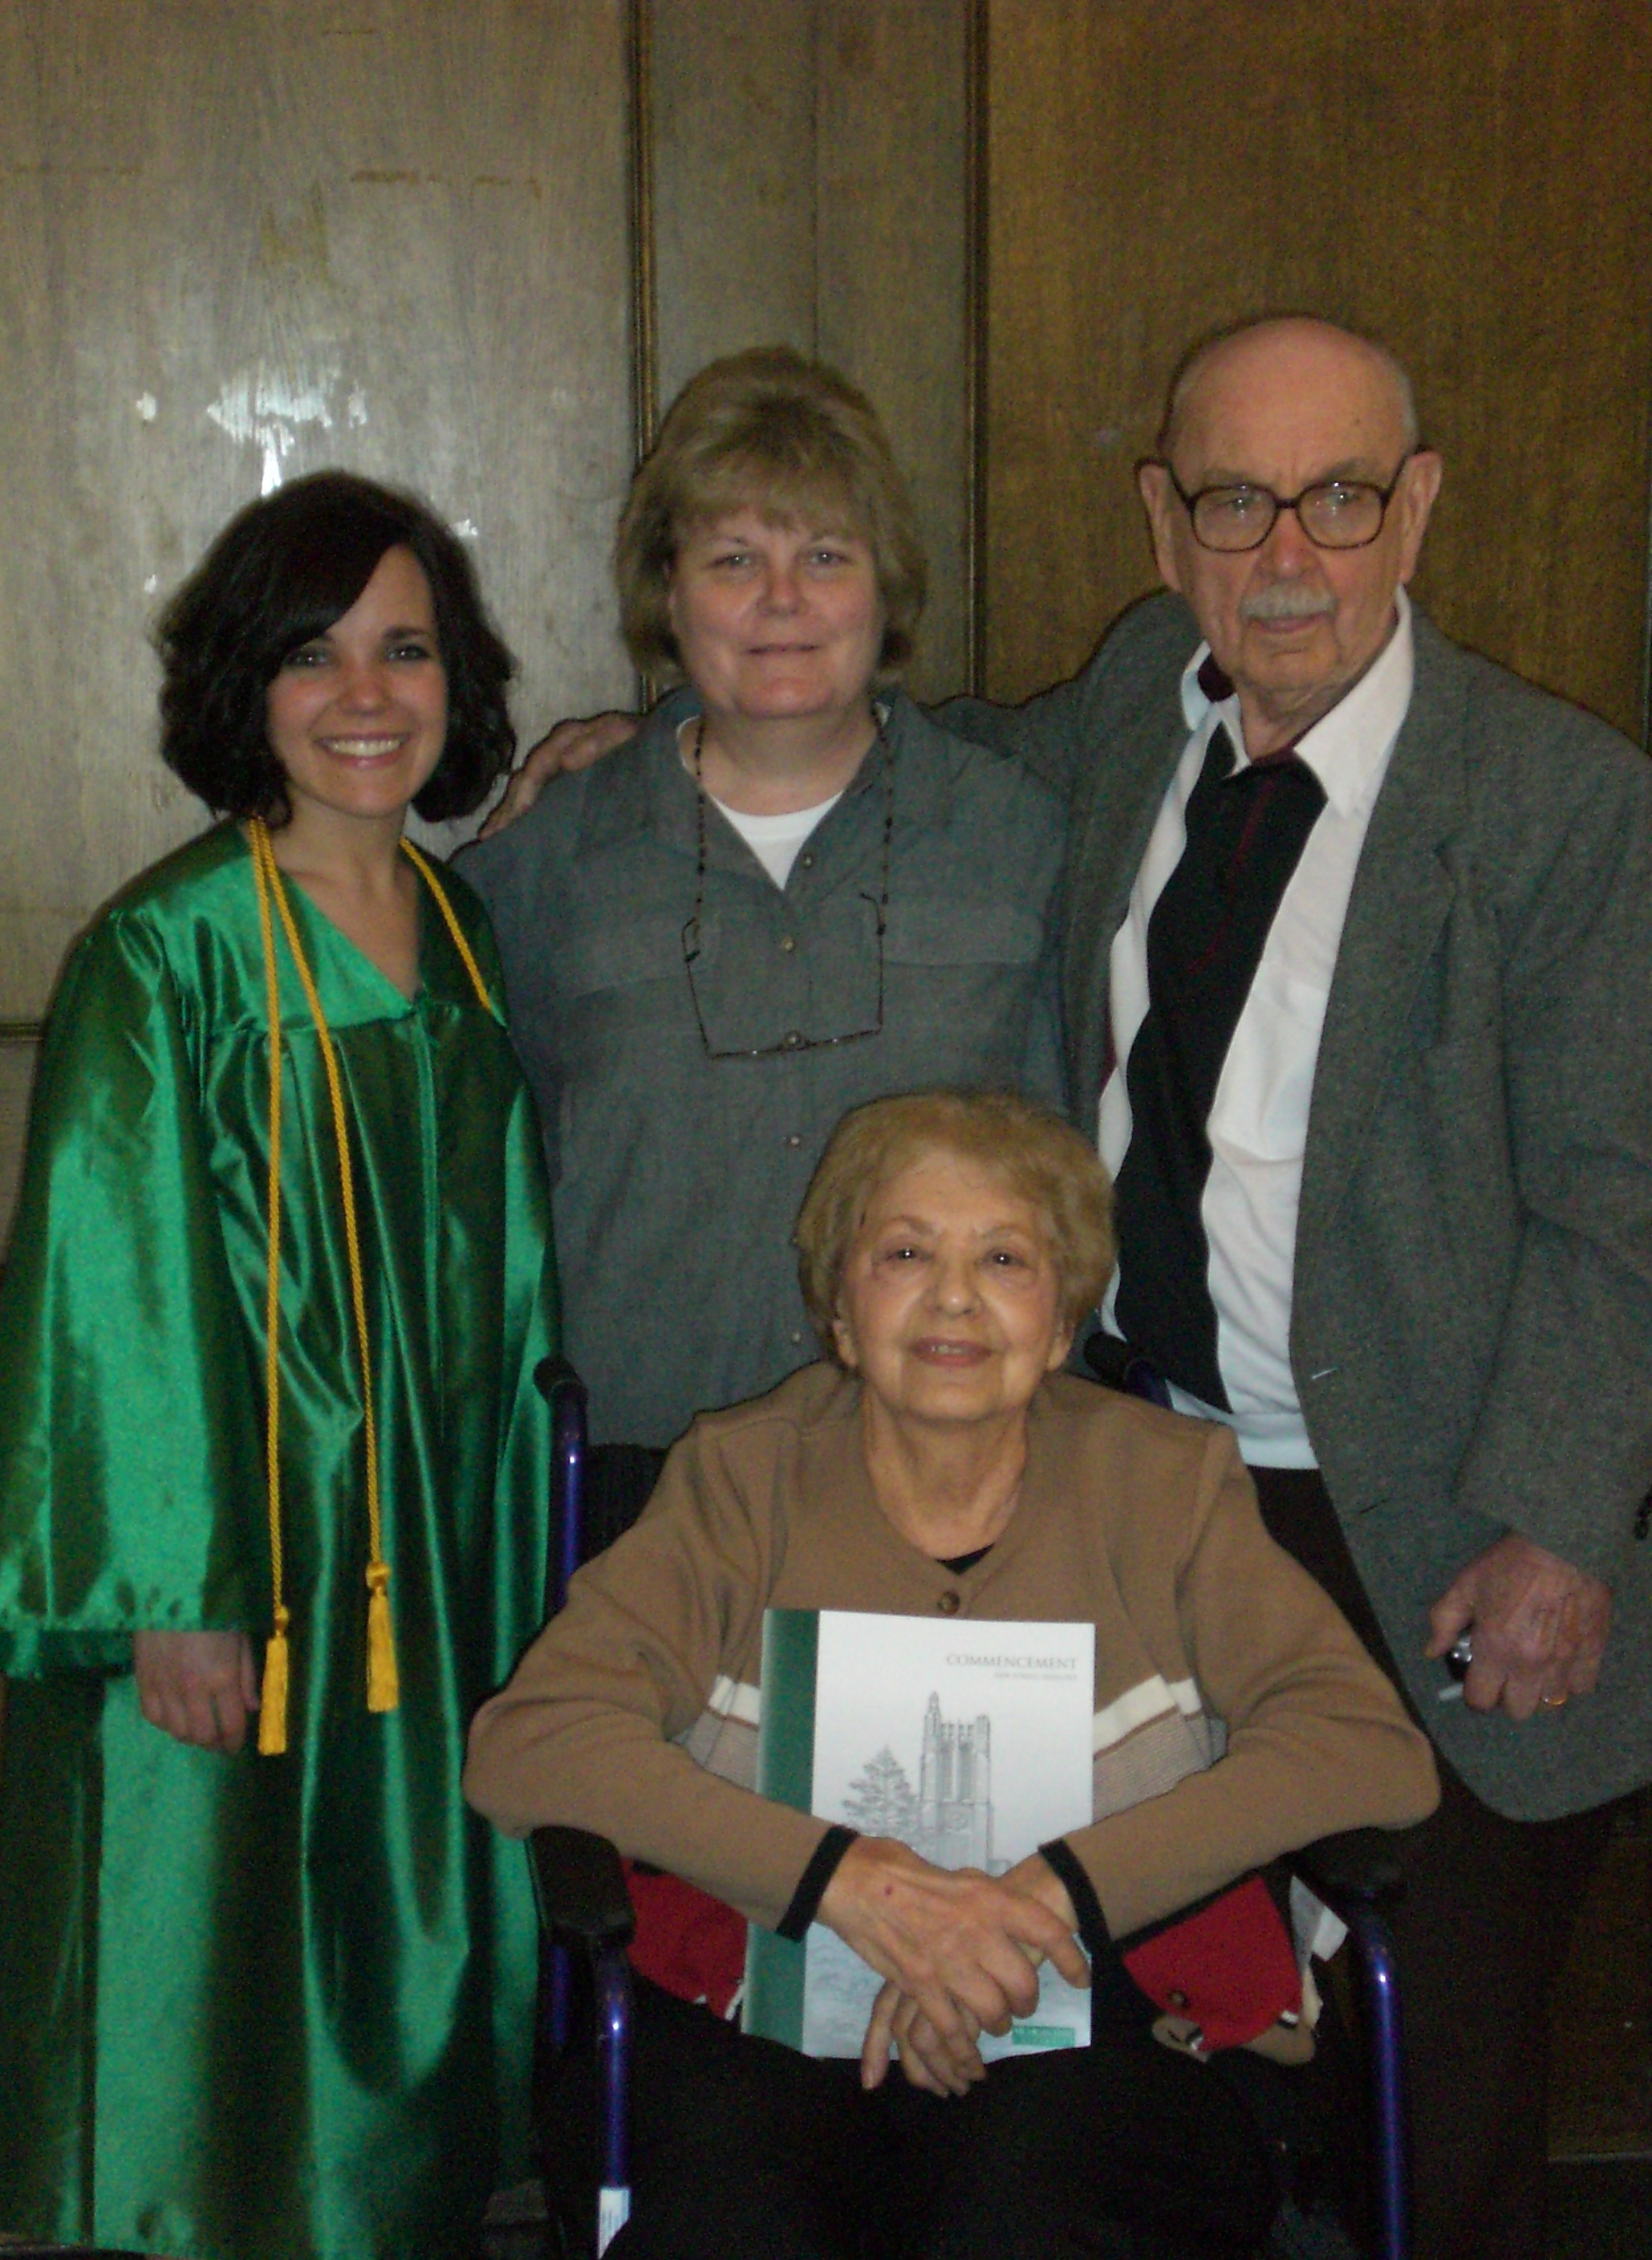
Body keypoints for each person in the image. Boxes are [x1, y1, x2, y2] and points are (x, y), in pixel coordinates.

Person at [485, 315, 1652, 2258]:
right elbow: (864, 738)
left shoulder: (1562, 803)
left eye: (1343, 494)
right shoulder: (1127, 712)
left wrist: (1556, 1513)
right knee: (1045, 2079)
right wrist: (644, 743)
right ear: (1165, 522)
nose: (1289, 548)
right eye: (1233, 498)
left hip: (1437, 1510)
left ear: (1419, 504)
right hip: (1112, 1469)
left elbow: (1628, 1192)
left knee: (1421, 2114)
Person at [465, 1088, 1438, 2260]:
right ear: (839, 1306)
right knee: (731, 2217)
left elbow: (1363, 1745)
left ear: (1066, 1310)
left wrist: (1038, 1903)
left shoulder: (1166, 1485)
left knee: (1026, 2217)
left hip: (1110, 2034)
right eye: (907, 1251)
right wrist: (852, 1883)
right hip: (757, 2014)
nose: (955, 1297)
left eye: (1007, 1257)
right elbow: (536, 1741)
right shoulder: (738, 1480)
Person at [0, 471, 557, 2260]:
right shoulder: (170, 949)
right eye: (313, 655)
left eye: (406, 650)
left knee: (400, 1937)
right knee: (216, 1961)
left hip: (431, 1546)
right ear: (247, 684)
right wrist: (172, 1585)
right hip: (247, 1554)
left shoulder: (462, 930)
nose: (365, 696)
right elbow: (108, 1283)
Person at [457, 347, 1065, 1458]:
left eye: (826, 555)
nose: (781, 600)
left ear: (886, 589)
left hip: (952, 1467)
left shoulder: (1015, 834)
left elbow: (1070, 1173)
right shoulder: (550, 861)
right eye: (735, 558)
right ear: (668, 595)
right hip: (652, 1480)